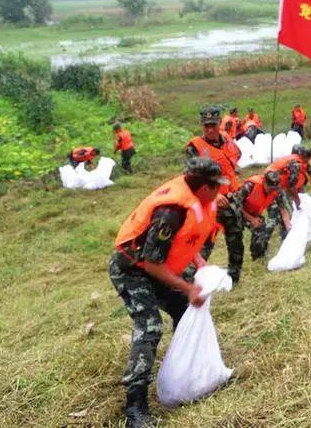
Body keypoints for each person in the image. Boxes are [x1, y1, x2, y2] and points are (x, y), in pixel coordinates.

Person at [109, 157, 223, 428]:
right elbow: (151, 263)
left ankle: (184, 370)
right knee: (150, 328)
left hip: (155, 266)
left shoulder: (197, 200)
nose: (221, 190)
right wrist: (188, 287)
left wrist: (199, 262)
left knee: (185, 310)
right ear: (204, 188)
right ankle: (135, 407)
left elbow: (185, 237)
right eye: (217, 186)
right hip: (132, 270)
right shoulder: (170, 212)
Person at [186, 107, 243, 282]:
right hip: (210, 203)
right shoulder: (195, 148)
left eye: (213, 125)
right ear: (201, 126)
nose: (210, 129)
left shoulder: (227, 140)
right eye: (206, 126)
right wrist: (214, 195)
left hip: (233, 199)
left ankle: (234, 278)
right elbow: (190, 178)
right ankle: (190, 280)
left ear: (220, 124)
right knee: (204, 243)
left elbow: (236, 156)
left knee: (235, 241)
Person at [233, 170, 284, 261]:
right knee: (238, 235)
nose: (271, 191)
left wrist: (288, 224)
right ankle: (239, 260)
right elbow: (236, 205)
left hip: (253, 213)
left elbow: (282, 208)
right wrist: (251, 219)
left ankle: (259, 256)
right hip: (237, 212)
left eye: (274, 189)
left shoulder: (276, 190)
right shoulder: (250, 186)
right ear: (264, 182)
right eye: (270, 188)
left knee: (262, 228)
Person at [264, 148, 311, 243]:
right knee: (274, 216)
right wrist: (298, 202)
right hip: (272, 186)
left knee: (285, 214)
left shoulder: (292, 159)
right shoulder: (296, 164)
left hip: (274, 185)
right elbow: (291, 186)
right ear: (305, 158)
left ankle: (285, 238)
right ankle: (262, 244)